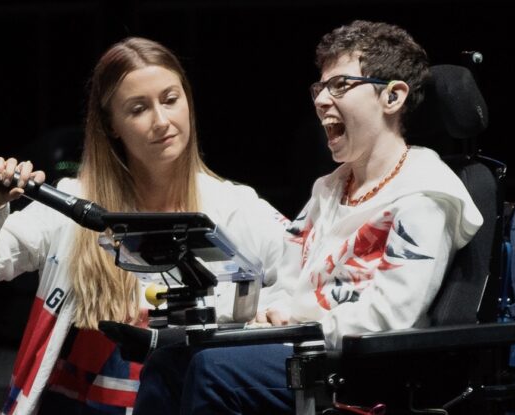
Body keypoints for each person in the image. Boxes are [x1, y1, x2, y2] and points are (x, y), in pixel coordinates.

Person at [132, 20, 485, 415]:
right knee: (168, 363)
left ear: (393, 96)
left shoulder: (425, 194)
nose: (321, 100)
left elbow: (391, 316)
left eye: (340, 86)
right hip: (299, 346)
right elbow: (286, 284)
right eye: (320, 87)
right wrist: (197, 316)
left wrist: (295, 318)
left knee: (214, 370)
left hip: (358, 371)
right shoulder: (329, 190)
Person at [0, 37, 290, 415]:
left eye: (171, 99)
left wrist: (267, 308)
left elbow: (308, 274)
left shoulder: (235, 207)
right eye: (139, 108)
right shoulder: (73, 205)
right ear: (111, 125)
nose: (162, 121)